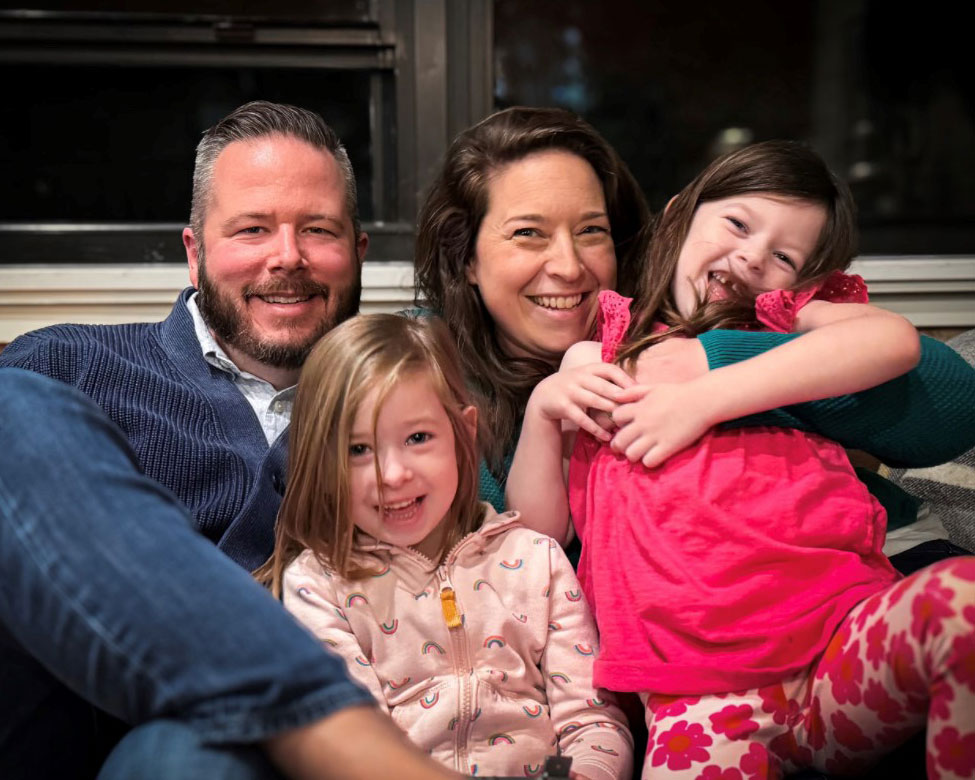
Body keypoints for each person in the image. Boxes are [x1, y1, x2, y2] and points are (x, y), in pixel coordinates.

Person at [0, 102, 457, 780]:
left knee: (188, 759)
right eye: (252, 229)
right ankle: (354, 745)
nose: (287, 257)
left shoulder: (411, 405)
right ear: (195, 252)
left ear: (356, 253)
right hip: (65, 732)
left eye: (318, 230)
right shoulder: (68, 364)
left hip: (215, 765)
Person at [507, 141, 975, 778]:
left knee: (964, 606)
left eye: (784, 256)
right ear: (679, 217)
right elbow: (538, 535)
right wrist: (542, 410)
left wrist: (704, 398)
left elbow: (891, 341)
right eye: (737, 223)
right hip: (698, 697)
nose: (755, 255)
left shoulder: (781, 324)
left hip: (841, 641)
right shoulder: (598, 359)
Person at [413, 107, 975, 516]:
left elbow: (951, 405)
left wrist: (703, 363)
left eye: (591, 231)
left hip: (837, 577)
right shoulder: (429, 377)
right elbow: (514, 550)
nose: (567, 266)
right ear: (465, 258)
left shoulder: (681, 316)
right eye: (528, 234)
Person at [259, 313, 633, 780]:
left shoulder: (537, 561)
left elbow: (591, 721)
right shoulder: (319, 584)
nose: (393, 474)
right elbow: (356, 748)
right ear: (320, 460)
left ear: (464, 434)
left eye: (418, 438)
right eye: (358, 450)